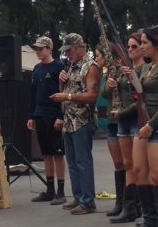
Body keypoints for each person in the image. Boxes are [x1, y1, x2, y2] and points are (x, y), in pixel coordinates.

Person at [50, 33, 101, 215]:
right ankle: (79, 197)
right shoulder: (71, 66)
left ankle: (88, 201)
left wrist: (67, 96)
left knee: (83, 161)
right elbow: (67, 91)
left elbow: (92, 96)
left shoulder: (91, 67)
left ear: (80, 47)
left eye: (69, 50)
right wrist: (60, 84)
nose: (67, 54)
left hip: (82, 120)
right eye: (65, 51)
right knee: (72, 161)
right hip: (68, 120)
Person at [107, 32, 144, 223]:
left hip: (136, 120)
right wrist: (110, 83)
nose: (130, 50)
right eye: (128, 47)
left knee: (139, 167)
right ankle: (129, 207)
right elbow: (107, 94)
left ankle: (139, 206)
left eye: (134, 46)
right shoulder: (122, 69)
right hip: (122, 122)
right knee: (127, 164)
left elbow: (140, 99)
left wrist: (120, 113)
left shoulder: (145, 69)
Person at [27, 36, 66, 205]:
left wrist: (60, 116)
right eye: (36, 49)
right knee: (46, 154)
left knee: (58, 154)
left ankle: (61, 192)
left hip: (53, 115)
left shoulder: (59, 66)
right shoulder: (36, 68)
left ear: (49, 49)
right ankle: (50, 190)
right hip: (40, 114)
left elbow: (64, 92)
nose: (38, 52)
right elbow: (33, 94)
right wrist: (31, 115)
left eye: (41, 49)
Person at [131, 26, 158, 227]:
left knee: (156, 175)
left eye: (144, 42)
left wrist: (151, 125)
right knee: (139, 170)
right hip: (143, 124)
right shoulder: (148, 67)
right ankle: (150, 219)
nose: (141, 47)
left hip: (154, 125)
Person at [99, 44, 125, 218]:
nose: (97, 59)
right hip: (111, 122)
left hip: (124, 120)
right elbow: (104, 95)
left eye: (99, 56)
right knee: (118, 164)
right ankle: (120, 202)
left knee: (129, 164)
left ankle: (133, 202)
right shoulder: (105, 73)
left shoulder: (124, 71)